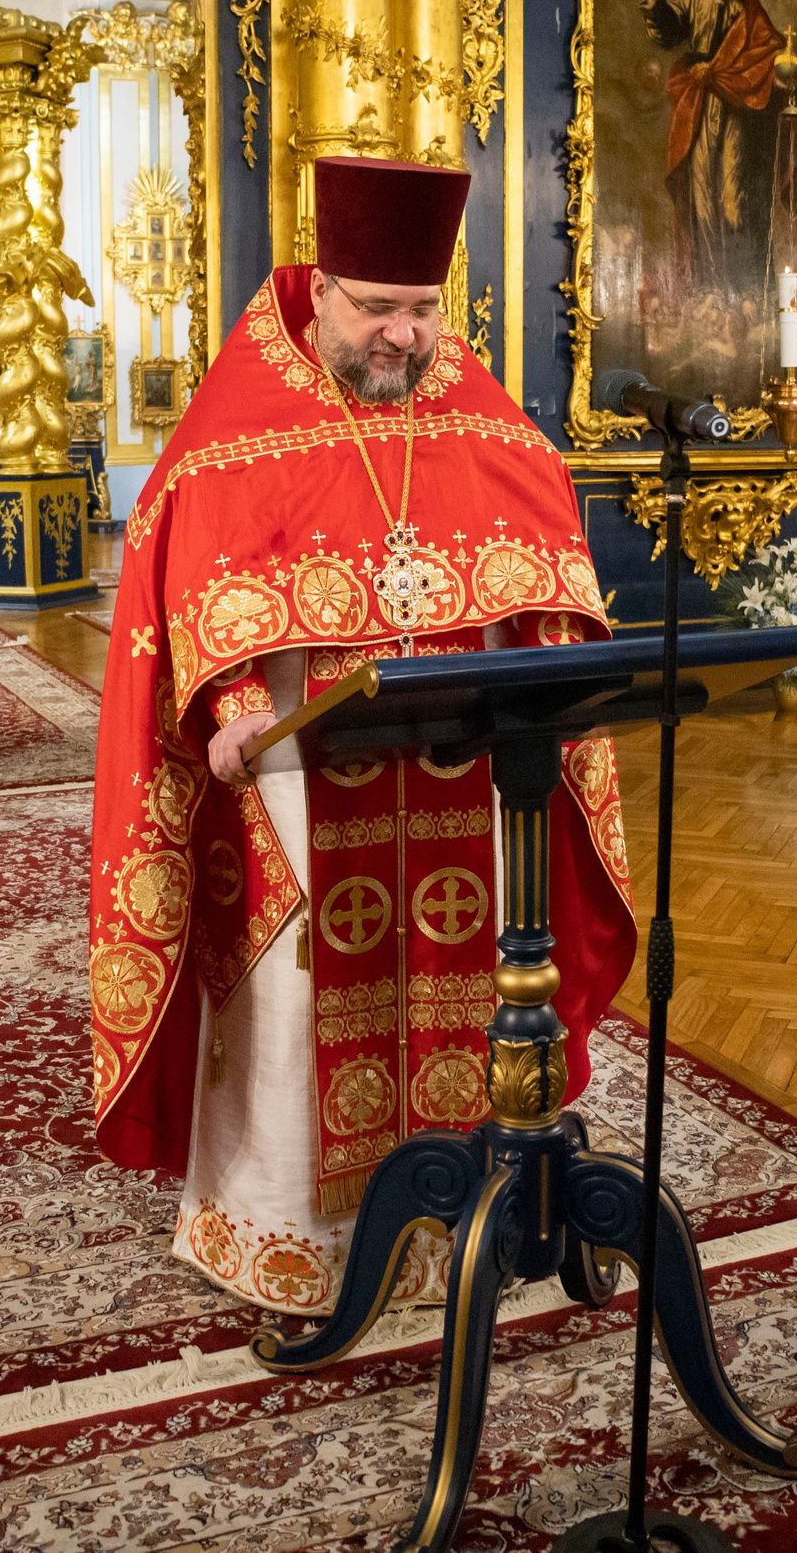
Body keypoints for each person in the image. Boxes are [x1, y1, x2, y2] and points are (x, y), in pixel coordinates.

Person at [90, 157, 637, 1316]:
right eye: (378, 309)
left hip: (466, 765)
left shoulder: (473, 406)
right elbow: (197, 555)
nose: (402, 336)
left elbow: (543, 543)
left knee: (468, 973)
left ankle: (463, 1221)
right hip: (301, 767)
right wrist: (233, 706)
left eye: (423, 310)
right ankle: (296, 1235)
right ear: (324, 291)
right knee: (298, 1002)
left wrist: (558, 653)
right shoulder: (244, 408)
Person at [638, 0, 785, 299]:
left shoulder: (746, 7)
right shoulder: (690, 1)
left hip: (736, 105)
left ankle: (741, 288)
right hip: (700, 108)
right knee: (702, 196)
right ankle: (709, 289)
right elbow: (667, 33)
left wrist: (778, 69)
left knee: (733, 194)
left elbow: (770, 46)